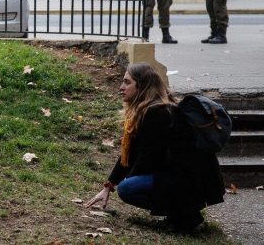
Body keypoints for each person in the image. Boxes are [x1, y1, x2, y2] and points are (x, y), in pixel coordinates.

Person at [85, 62, 225, 232]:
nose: (121, 87)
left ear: (142, 86)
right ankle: (182, 214)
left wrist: (125, 181)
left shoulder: (157, 113)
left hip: (191, 181)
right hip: (181, 178)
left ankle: (186, 216)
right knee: (128, 184)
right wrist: (109, 185)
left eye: (127, 82)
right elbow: (131, 153)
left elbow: (148, 158)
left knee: (128, 188)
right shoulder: (150, 109)